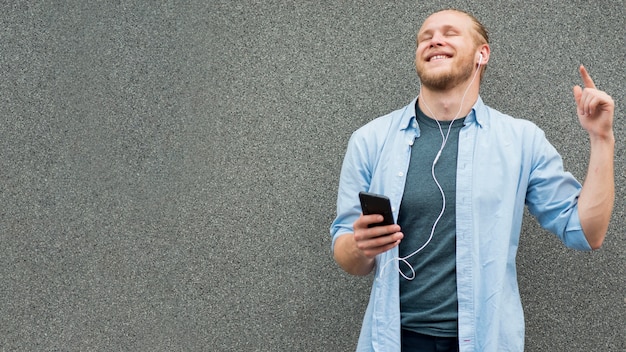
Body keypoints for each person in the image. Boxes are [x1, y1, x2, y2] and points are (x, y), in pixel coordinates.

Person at [330, 8, 614, 352]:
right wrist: (360, 247)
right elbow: (346, 252)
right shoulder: (370, 140)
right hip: (395, 341)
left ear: (482, 54)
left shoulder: (522, 140)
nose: (435, 39)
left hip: (485, 341)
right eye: (426, 36)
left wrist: (601, 140)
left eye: (450, 33)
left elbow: (586, 231)